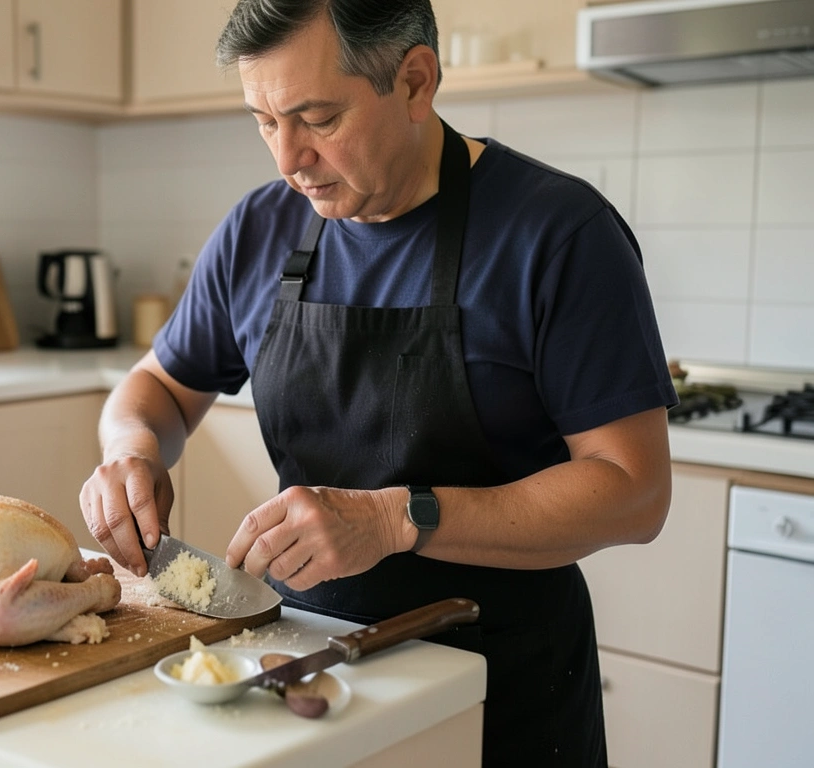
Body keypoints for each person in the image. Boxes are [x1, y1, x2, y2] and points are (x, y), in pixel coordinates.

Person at [79, 1, 676, 765]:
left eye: (317, 118)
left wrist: (398, 518)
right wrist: (130, 451)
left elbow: (636, 490)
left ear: (416, 81)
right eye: (264, 120)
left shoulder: (558, 234)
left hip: (501, 687)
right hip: (308, 669)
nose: (288, 158)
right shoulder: (260, 230)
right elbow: (157, 386)